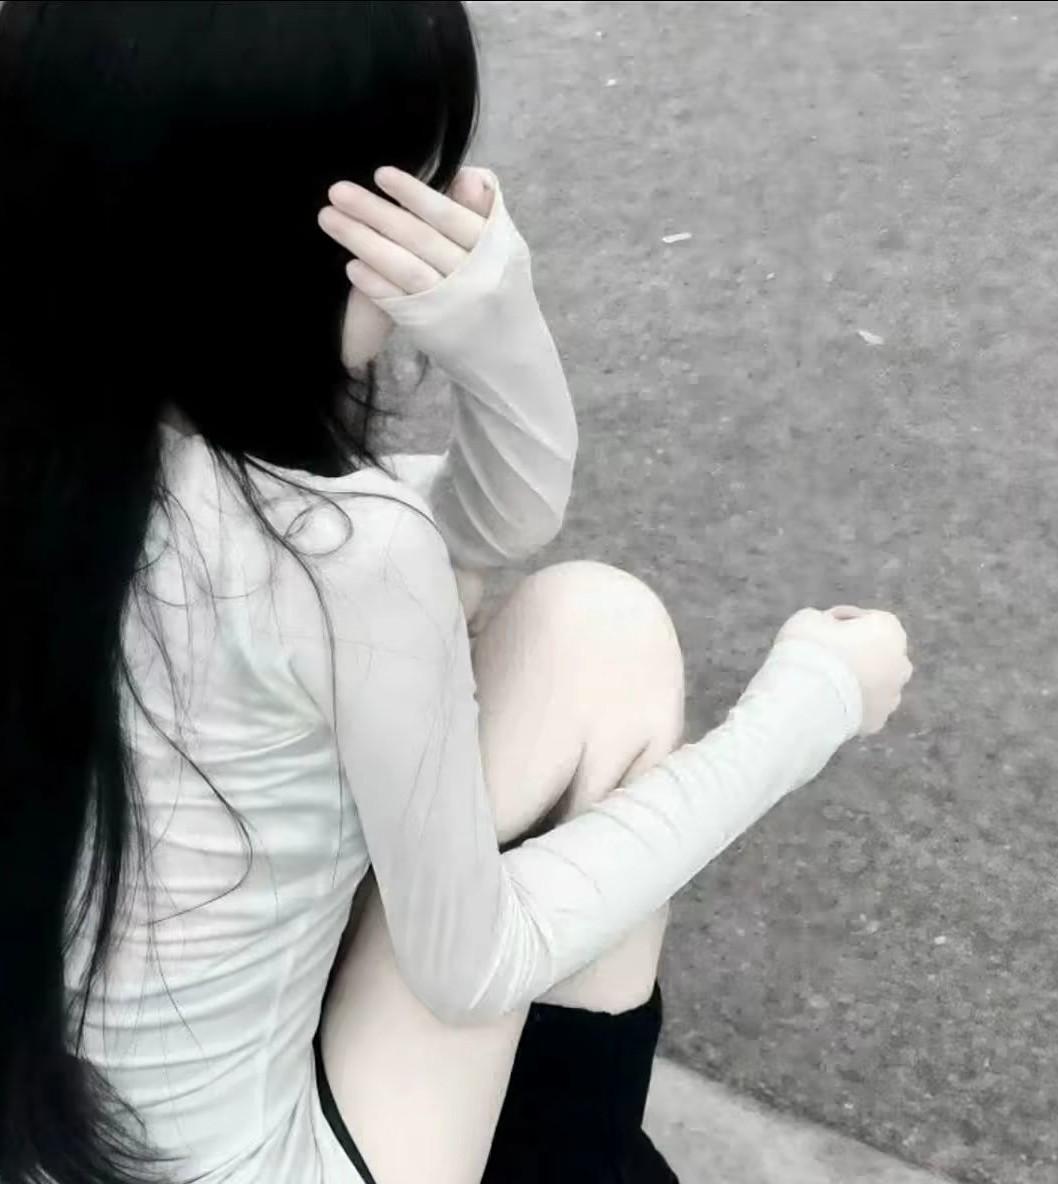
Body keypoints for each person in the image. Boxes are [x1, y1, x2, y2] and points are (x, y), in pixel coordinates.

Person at [0, 4, 913, 1184]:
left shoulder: (83, 457)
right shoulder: (331, 551)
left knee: (562, 636)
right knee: (602, 638)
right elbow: (471, 961)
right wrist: (811, 704)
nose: (462, 212)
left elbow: (483, 526)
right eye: (420, 189)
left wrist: (500, 330)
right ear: (285, 234)